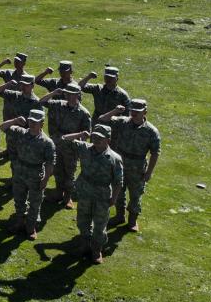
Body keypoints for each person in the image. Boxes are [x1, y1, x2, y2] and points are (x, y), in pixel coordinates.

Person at [62, 124, 123, 263]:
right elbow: (64, 139)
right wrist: (80, 134)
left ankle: (96, 250)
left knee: (100, 225)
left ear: (108, 140)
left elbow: (118, 182)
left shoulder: (114, 158)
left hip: (102, 196)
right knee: (83, 220)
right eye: (94, 136)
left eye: (100, 138)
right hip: (84, 192)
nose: (96, 140)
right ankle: (85, 244)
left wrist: (114, 199)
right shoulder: (85, 148)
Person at [97, 99, 161, 231]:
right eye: (132, 111)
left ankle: (132, 221)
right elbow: (102, 119)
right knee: (118, 192)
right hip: (120, 164)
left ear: (145, 112)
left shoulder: (151, 131)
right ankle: (119, 216)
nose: (134, 114)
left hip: (137, 168)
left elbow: (155, 153)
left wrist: (149, 172)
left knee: (135, 195)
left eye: (137, 112)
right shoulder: (123, 122)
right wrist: (115, 111)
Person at [1, 110, 55, 240]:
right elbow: (2, 127)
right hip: (19, 172)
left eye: (36, 122)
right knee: (19, 200)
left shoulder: (47, 143)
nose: (32, 124)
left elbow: (50, 163)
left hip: (35, 175)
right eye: (31, 121)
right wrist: (15, 120)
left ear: (42, 123)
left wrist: (45, 180)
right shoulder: (20, 132)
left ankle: (31, 227)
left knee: (35, 203)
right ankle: (19, 222)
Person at [40, 83, 91, 208]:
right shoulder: (59, 104)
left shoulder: (83, 113)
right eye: (67, 93)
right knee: (58, 170)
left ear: (78, 95)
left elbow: (86, 134)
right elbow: (41, 102)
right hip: (57, 144)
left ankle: (67, 197)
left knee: (69, 173)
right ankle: (58, 193)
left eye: (71, 94)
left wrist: (77, 142)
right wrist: (53, 93)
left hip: (71, 148)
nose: (68, 96)